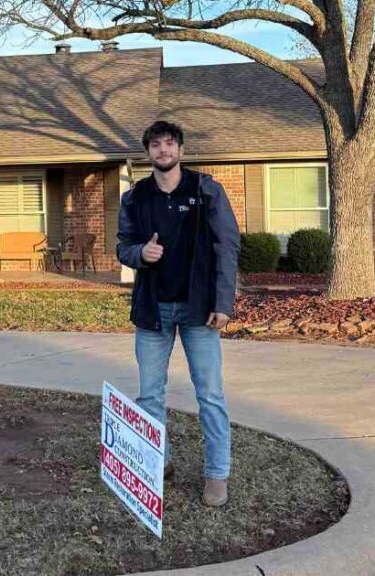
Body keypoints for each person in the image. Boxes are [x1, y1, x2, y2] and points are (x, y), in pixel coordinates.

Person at [116, 120, 241, 507]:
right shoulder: (135, 197)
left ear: (181, 150)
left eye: (170, 144)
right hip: (153, 311)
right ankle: (158, 463)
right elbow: (123, 246)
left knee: (210, 395)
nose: (163, 151)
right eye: (156, 145)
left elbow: (227, 246)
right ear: (148, 152)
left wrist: (222, 303)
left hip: (199, 310)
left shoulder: (207, 191)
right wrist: (140, 254)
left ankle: (216, 475)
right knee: (150, 395)